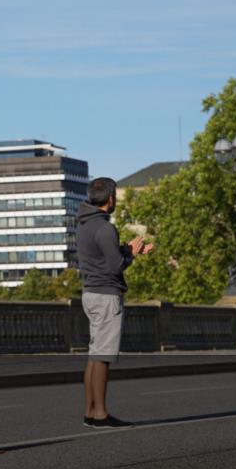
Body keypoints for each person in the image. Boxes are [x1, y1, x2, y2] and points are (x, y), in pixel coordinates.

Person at [76, 177, 153, 429]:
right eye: (115, 197)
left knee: (94, 356)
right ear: (110, 199)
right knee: (103, 357)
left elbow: (102, 254)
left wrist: (127, 250)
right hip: (107, 295)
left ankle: (90, 412)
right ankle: (101, 414)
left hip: (90, 293)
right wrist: (129, 253)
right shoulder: (106, 227)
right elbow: (115, 266)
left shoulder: (85, 224)